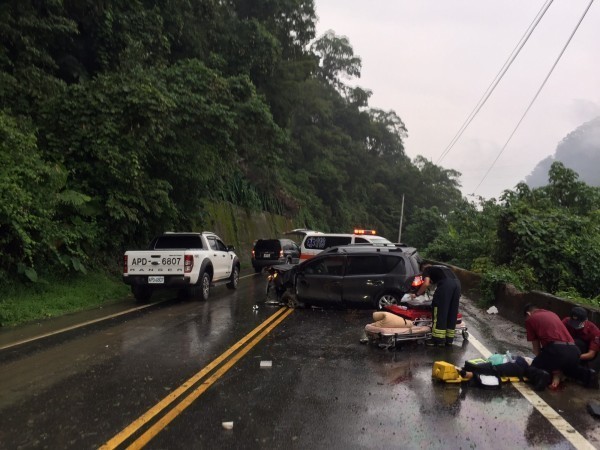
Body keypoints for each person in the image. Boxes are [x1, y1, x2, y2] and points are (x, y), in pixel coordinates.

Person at [523, 303, 598, 391]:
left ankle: (541, 375)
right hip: (574, 351)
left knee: (531, 369)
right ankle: (589, 374)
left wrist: (541, 364)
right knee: (567, 369)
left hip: (560, 350)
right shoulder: (553, 314)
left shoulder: (531, 319)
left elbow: (537, 351)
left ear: (528, 314)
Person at [411, 264, 461, 347]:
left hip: (446, 285)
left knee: (440, 311)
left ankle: (438, 340)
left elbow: (426, 284)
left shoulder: (427, 270)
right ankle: (449, 340)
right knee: (451, 311)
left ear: (423, 269)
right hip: (457, 284)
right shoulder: (442, 268)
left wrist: (416, 294)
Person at [562, 306, 600, 371]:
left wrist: (573, 357)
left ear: (585, 320)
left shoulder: (594, 331)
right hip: (569, 346)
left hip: (585, 352)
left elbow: (591, 354)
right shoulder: (566, 321)